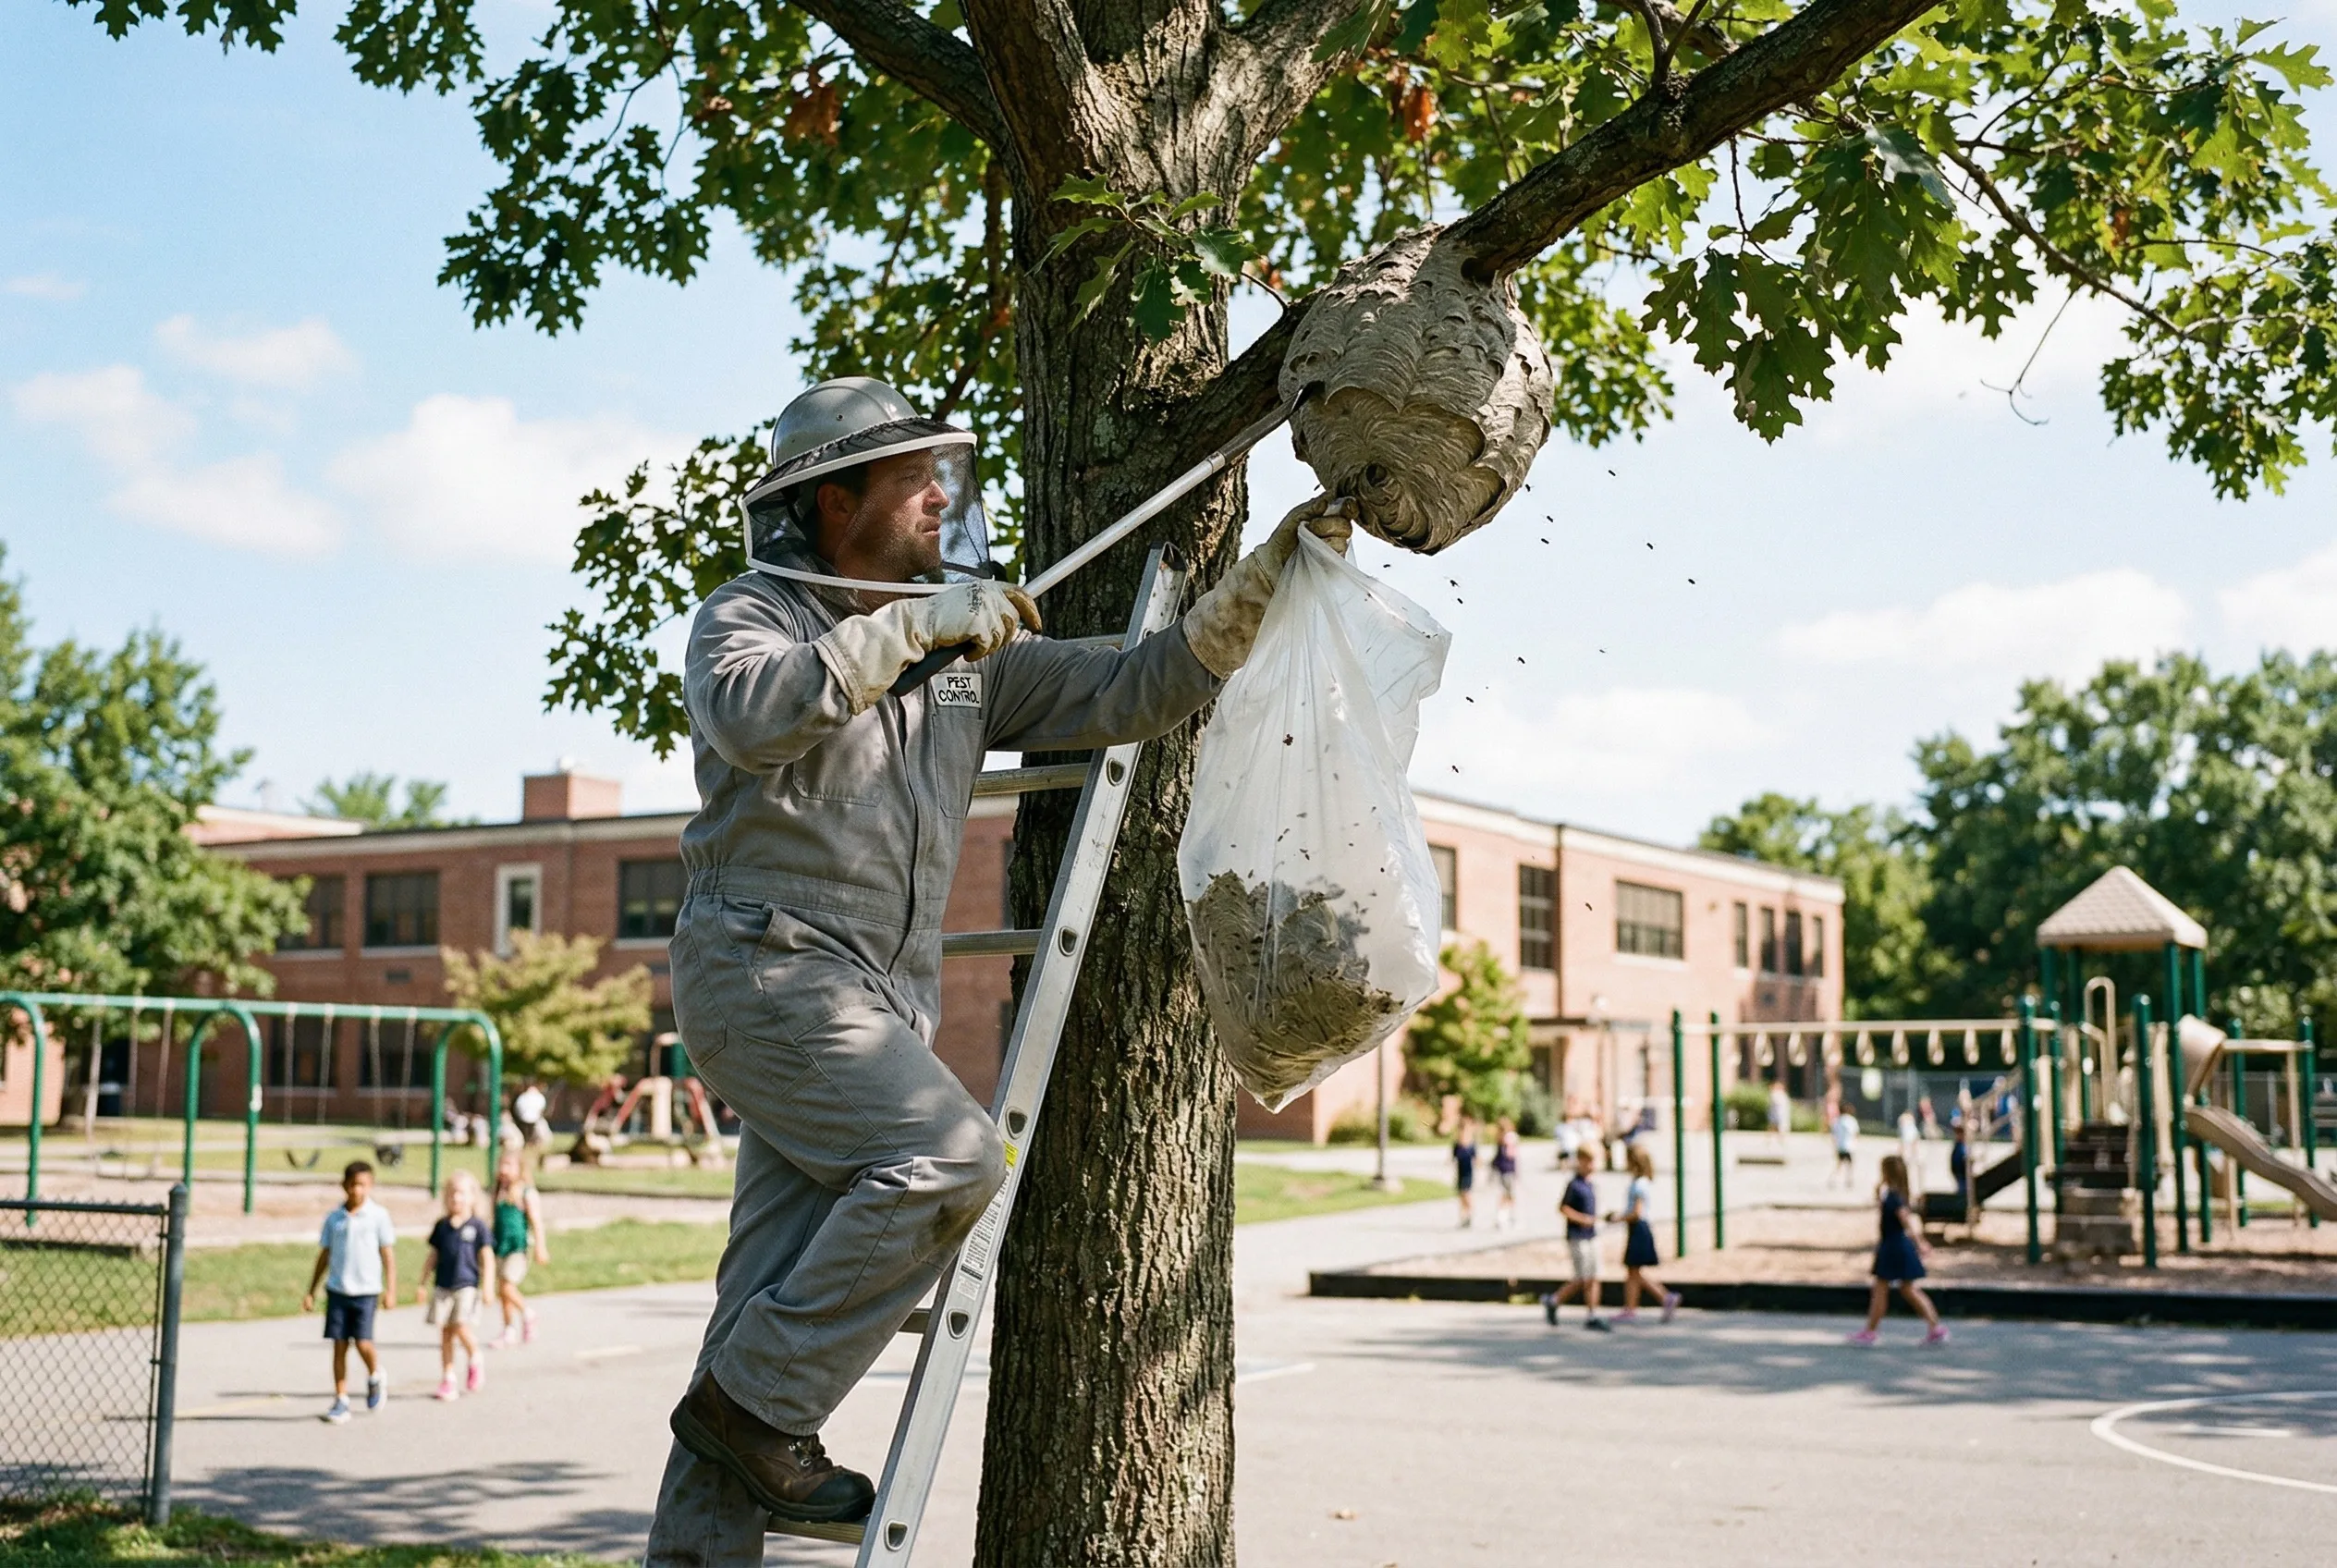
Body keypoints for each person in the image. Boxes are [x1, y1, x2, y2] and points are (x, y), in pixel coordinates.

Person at [645, 376, 1356, 1548]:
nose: (941, 496)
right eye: (913, 478)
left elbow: (1132, 689)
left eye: (945, 478)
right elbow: (750, 717)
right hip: (766, 963)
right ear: (834, 501)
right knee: (949, 1153)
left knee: (754, 1313)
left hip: (874, 996)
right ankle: (754, 1405)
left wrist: (1257, 589)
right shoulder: (754, 611)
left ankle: (712, 1496)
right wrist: (910, 627)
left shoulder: (968, 657)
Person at [302, 1160, 397, 1424]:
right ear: (344, 1186)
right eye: (354, 1185)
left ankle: (375, 1373)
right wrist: (311, 1290)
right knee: (339, 1345)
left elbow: (388, 1255)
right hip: (338, 1290)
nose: (358, 1191)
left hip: (366, 1291)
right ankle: (341, 1398)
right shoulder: (335, 1219)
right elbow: (324, 1255)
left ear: (371, 1186)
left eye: (363, 1185)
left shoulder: (378, 1216)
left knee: (363, 1342)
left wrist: (391, 1289)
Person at [1847, 1154, 1947, 1346]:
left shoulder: (1894, 1197)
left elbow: (1906, 1221)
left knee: (1884, 1289)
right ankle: (1934, 1327)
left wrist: (1920, 1243)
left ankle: (1871, 1331)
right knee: (1905, 1288)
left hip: (1893, 1246)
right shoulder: (1896, 1195)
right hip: (1895, 1244)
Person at [419, 1170, 496, 1398]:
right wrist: (422, 1283)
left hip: (467, 1286)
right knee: (445, 1333)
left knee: (461, 1326)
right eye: (452, 1193)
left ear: (473, 1197)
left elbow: (487, 1259)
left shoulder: (478, 1227)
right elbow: (433, 1256)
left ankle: (475, 1357)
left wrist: (489, 1286)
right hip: (443, 1285)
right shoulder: (442, 1227)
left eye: (462, 1193)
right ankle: (448, 1377)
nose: (456, 1198)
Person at [1540, 1145, 1609, 1331]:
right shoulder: (1574, 1185)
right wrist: (1582, 1219)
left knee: (1594, 1275)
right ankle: (1554, 1300)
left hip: (1592, 1234)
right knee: (1581, 1277)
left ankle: (1593, 1314)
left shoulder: (1591, 1185)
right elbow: (1563, 1208)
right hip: (1578, 1235)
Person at [1611, 1144, 1680, 1324]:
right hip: (1638, 1228)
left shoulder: (1639, 1185)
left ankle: (1662, 1296)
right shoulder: (1640, 1183)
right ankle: (1632, 1307)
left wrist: (1618, 1218)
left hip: (1638, 1228)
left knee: (1634, 1270)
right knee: (1632, 1271)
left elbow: (1637, 1212)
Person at [492, 1150, 550, 1346]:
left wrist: (541, 1247)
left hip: (517, 1247)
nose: (504, 1170)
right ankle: (508, 1329)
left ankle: (528, 1312)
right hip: (500, 1245)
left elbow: (536, 1222)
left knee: (507, 1286)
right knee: (503, 1291)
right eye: (502, 1165)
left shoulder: (525, 1193)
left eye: (509, 1166)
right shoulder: (498, 1191)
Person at [1490, 1118, 1521, 1231]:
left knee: (1507, 1194)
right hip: (1507, 1171)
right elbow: (1511, 1157)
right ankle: (1506, 1217)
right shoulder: (1507, 1142)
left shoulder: (1501, 1142)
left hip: (1505, 1171)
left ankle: (1505, 1217)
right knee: (1508, 1195)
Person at [1452, 1115, 1480, 1229]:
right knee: (1461, 1195)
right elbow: (1453, 1157)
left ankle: (1469, 1214)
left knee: (1466, 1193)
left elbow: (1476, 1158)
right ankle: (1463, 1217)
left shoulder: (1472, 1144)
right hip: (1460, 1171)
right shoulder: (1457, 1144)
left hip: (1468, 1172)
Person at [513, 1080, 552, 1150]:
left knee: (528, 1132)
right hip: (530, 1118)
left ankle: (529, 1143)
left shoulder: (524, 1097)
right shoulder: (534, 1097)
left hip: (526, 1118)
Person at [1829, 1102, 1860, 1189]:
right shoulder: (1852, 1120)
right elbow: (1855, 1133)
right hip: (1849, 1146)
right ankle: (1849, 1180)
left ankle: (1833, 1179)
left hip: (1840, 1146)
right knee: (1850, 1165)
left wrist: (1835, 1146)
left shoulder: (1837, 1121)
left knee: (1839, 1165)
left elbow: (1834, 1135)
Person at [1768, 1081, 1793, 1151]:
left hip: (1781, 1115)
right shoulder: (1775, 1094)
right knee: (1775, 1127)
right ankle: (1778, 1140)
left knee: (1778, 1128)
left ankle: (1780, 1140)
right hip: (1777, 1115)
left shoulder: (1781, 1095)